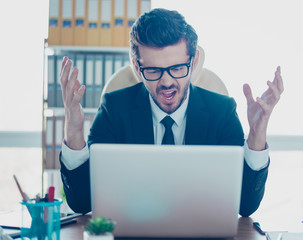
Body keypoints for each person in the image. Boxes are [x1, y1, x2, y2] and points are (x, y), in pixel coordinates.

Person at [59, 8, 284, 217]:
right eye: (153, 70)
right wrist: (74, 129)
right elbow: (81, 203)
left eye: (177, 68)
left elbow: (246, 206)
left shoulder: (221, 111)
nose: (166, 82)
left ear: (194, 62)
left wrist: (256, 135)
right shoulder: (114, 109)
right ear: (138, 68)